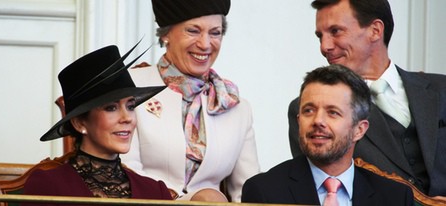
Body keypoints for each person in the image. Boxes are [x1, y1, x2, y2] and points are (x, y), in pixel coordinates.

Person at [288, 0, 446, 199]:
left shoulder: (441, 90)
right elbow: (322, 186)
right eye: (320, 36)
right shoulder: (309, 111)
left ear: (375, 30)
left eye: (335, 31)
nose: (324, 46)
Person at [123, 0, 260, 202]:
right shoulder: (129, 88)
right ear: (166, 34)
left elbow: (249, 192)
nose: (205, 44)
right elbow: (123, 173)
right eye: (193, 31)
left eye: (215, 33)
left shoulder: (234, 106)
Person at [22, 44, 171, 205]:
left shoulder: (156, 192)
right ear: (79, 123)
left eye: (130, 106)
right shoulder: (47, 186)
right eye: (111, 108)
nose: (126, 118)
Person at [244, 64, 413, 205]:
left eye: (332, 113)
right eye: (308, 111)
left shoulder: (395, 197)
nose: (318, 121)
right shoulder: (264, 191)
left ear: (359, 130)